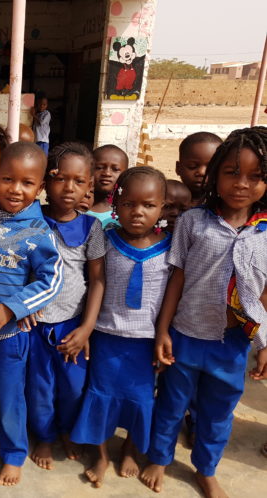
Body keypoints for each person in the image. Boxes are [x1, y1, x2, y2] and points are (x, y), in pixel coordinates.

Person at [141, 127, 267, 498]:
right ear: (216, 174)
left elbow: (264, 294)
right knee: (171, 404)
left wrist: (264, 343)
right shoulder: (194, 221)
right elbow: (176, 278)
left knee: (217, 413)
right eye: (232, 172)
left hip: (234, 343)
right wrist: (162, 331)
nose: (241, 184)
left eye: (255, 176)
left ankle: (206, 469)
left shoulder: (265, 231)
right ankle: (159, 458)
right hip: (186, 334)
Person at [0, 142, 64, 486]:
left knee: (10, 397)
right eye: (8, 179)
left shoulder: (38, 231)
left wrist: (13, 308)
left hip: (10, 335)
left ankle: (13, 453)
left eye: (27, 183)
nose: (15, 189)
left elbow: (52, 281)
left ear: (40, 187)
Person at [71, 167, 172, 488]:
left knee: (140, 398)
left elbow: (172, 296)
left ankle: (129, 449)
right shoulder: (106, 239)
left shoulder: (170, 247)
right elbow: (95, 283)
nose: (137, 212)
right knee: (101, 394)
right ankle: (100, 454)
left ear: (162, 207)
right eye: (129, 204)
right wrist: (88, 328)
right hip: (107, 337)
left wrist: (163, 334)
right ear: (116, 204)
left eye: (148, 205)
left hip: (145, 342)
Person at [28, 142, 106, 471]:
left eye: (79, 181)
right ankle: (44, 436)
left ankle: (67, 430)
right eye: (60, 178)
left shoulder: (91, 227)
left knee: (73, 386)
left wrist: (87, 328)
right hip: (34, 324)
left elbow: (98, 280)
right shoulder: (31, 217)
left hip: (72, 324)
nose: (69, 188)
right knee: (39, 387)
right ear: (46, 180)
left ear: (90, 186)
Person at [86, 144, 129, 228]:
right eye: (99, 167)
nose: (107, 173)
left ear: (125, 174)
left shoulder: (125, 213)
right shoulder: (78, 207)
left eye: (115, 169)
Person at [175, 132, 222, 206]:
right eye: (192, 166)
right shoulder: (166, 198)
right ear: (178, 168)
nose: (202, 172)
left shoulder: (226, 204)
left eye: (211, 167)